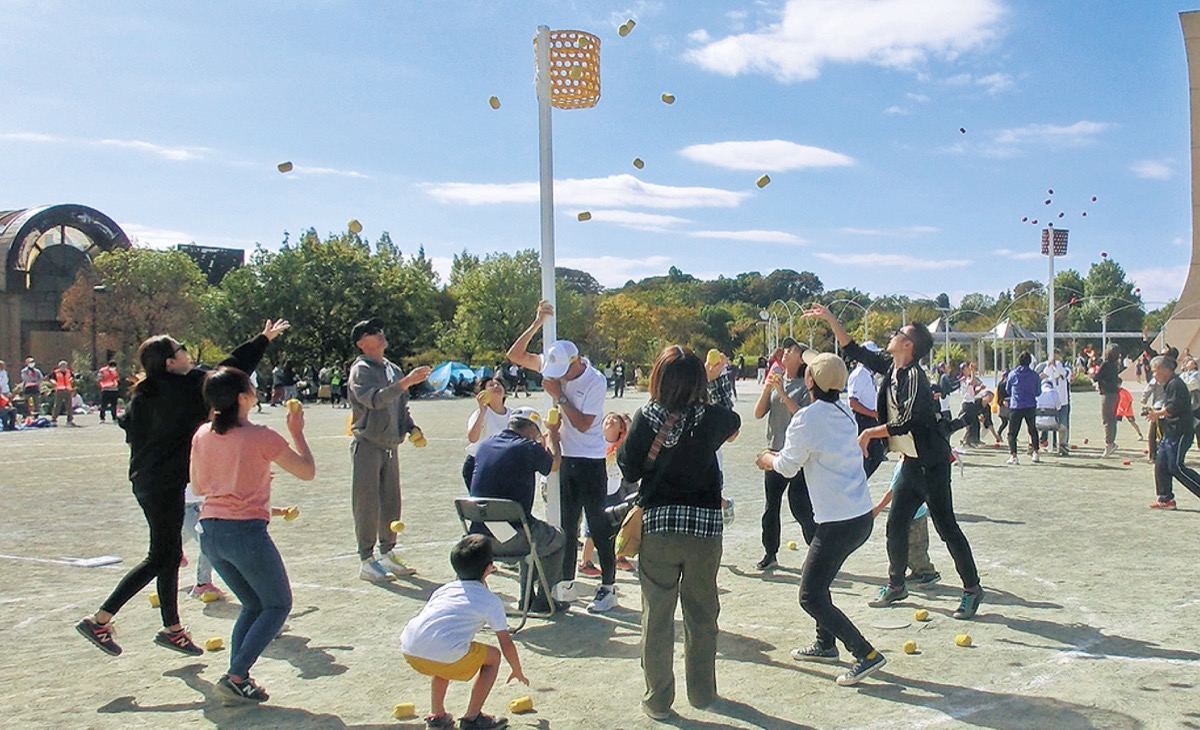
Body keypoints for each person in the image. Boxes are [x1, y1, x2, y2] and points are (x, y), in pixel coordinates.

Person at [76, 319, 288, 657]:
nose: (187, 353)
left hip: (146, 481)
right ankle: (100, 619)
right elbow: (229, 371)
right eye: (182, 349)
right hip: (164, 483)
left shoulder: (144, 392)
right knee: (160, 556)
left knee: (169, 554)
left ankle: (172, 629)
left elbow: (129, 427)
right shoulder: (186, 386)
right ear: (171, 362)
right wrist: (262, 340)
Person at [803, 304, 983, 620]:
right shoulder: (891, 367)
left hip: (932, 465)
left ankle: (972, 589)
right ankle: (896, 584)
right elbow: (853, 349)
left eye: (898, 333)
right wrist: (830, 318)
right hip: (911, 464)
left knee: (946, 527)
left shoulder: (916, 378)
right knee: (895, 524)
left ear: (908, 345)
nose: (892, 335)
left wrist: (869, 433)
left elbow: (908, 421)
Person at [618, 345, 740, 719]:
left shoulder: (647, 415)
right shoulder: (711, 418)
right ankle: (702, 692)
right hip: (704, 529)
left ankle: (658, 699)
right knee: (702, 614)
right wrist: (715, 383)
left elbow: (629, 468)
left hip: (659, 526)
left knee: (656, 616)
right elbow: (733, 423)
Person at [757, 350, 886, 686]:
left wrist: (766, 458)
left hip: (839, 522)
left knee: (810, 595)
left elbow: (787, 467)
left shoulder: (808, 418)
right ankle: (825, 643)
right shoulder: (844, 411)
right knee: (817, 580)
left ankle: (865, 653)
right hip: (858, 516)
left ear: (810, 380)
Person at [191, 366, 315, 705]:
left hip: (210, 531)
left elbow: (198, 485)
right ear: (243, 397)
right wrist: (297, 433)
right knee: (278, 604)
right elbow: (306, 471)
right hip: (245, 531)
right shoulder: (261, 436)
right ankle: (236, 674)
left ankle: (238, 678)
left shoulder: (202, 434)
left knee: (253, 604)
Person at [506, 300, 614, 613]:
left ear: (576, 361)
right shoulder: (555, 365)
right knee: (566, 525)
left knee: (597, 523)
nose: (558, 375)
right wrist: (537, 323)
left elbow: (584, 423)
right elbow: (515, 355)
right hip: (565, 458)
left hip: (590, 459)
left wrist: (560, 396)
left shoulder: (595, 380)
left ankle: (608, 587)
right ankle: (565, 584)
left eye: (563, 371)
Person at [400, 534, 528, 730]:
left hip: (410, 649)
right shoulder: (489, 600)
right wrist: (517, 669)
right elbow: (505, 641)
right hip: (444, 652)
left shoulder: (444, 590)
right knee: (492, 657)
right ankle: (472, 718)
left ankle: (437, 716)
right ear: (489, 568)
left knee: (443, 658)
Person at [347, 316, 431, 582]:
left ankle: (387, 552)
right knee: (367, 503)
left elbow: (400, 406)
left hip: (391, 446)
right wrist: (406, 382)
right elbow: (374, 400)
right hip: (367, 445)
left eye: (379, 329)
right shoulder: (361, 370)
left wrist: (411, 427)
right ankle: (366, 559)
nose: (379, 333)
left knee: (391, 501)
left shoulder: (393, 369)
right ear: (361, 343)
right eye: (372, 332)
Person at [469, 406, 567, 612]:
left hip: (478, 536)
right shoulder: (527, 447)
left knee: (528, 530)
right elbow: (554, 464)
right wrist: (552, 434)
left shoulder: (485, 445)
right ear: (532, 429)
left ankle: (527, 598)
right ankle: (543, 600)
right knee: (555, 538)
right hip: (512, 538)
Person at [753, 337, 814, 570]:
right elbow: (759, 413)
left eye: (793, 350)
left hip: (797, 455)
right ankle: (770, 552)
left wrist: (782, 392)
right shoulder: (777, 380)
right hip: (773, 452)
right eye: (787, 349)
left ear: (802, 359)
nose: (786, 352)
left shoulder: (806, 386)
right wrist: (768, 388)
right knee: (771, 506)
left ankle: (818, 551)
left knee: (800, 507)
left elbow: (803, 416)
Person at [580, 412, 637, 576]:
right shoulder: (596, 442)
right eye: (608, 418)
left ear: (621, 428)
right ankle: (585, 562)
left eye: (616, 420)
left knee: (618, 526)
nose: (611, 420)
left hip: (614, 490)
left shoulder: (623, 446)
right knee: (592, 529)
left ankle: (619, 556)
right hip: (596, 491)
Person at [1148, 356, 1200, 509]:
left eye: (1155, 371)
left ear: (1166, 370)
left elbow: (1173, 407)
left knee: (1175, 466)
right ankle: (1166, 499)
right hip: (1170, 432)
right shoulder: (1169, 384)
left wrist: (1157, 413)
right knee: (1161, 464)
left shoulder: (1176, 384)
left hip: (1181, 431)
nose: (1154, 375)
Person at [464, 377, 512, 489]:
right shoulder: (480, 414)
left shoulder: (513, 414)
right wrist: (482, 412)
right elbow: (472, 438)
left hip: (503, 464)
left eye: (499, 384)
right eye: (491, 385)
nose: (496, 386)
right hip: (478, 464)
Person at [846, 342, 886, 477]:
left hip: (870, 418)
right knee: (868, 454)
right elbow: (853, 402)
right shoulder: (859, 374)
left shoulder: (868, 374)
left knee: (876, 454)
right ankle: (857, 481)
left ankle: (860, 480)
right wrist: (873, 413)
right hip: (862, 419)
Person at [1005, 352, 1040, 465]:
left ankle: (1014, 455)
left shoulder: (1013, 374)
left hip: (1016, 405)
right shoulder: (1034, 375)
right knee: (1032, 429)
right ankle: (1036, 452)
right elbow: (1038, 392)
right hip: (1030, 405)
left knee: (1012, 432)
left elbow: (1008, 390)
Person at [1039, 350, 1072, 455]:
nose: (1055, 358)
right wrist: (1048, 367)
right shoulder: (1045, 368)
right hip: (1050, 403)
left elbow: (1064, 373)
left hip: (1063, 402)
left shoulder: (1065, 368)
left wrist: (1056, 365)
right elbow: (1043, 377)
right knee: (1047, 423)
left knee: (1063, 425)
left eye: (1056, 355)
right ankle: (1047, 442)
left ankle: (1063, 445)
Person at [1094, 344, 1123, 457]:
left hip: (1107, 394)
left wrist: (1093, 373)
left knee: (1107, 419)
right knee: (1112, 419)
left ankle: (1109, 443)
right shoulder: (1115, 365)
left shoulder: (1105, 364)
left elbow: (1096, 377)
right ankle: (1111, 442)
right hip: (1114, 393)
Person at [50, 360, 76, 426]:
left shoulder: (69, 372)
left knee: (69, 406)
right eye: (62, 366)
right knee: (57, 405)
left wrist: (72, 380)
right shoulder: (55, 372)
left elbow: (73, 377)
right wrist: (53, 382)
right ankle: (53, 419)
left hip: (68, 390)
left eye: (65, 366)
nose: (63, 367)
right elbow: (51, 378)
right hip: (59, 390)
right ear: (59, 366)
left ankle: (69, 420)